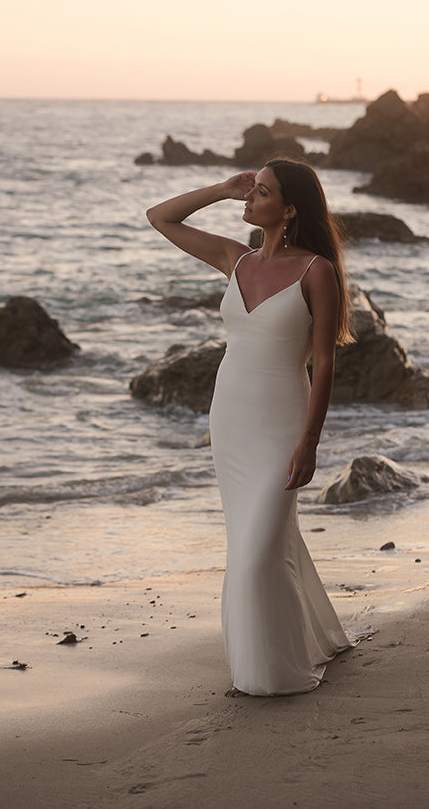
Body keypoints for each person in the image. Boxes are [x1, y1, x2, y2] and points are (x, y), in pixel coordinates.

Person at [146, 156, 359, 696]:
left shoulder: (317, 271)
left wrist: (310, 442)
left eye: (260, 193)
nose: (249, 199)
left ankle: (275, 672)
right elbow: (160, 217)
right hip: (231, 420)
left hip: (282, 421)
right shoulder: (234, 260)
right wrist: (223, 188)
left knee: (259, 551)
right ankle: (268, 659)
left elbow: (326, 363)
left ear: (288, 210)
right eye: (251, 190)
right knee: (251, 542)